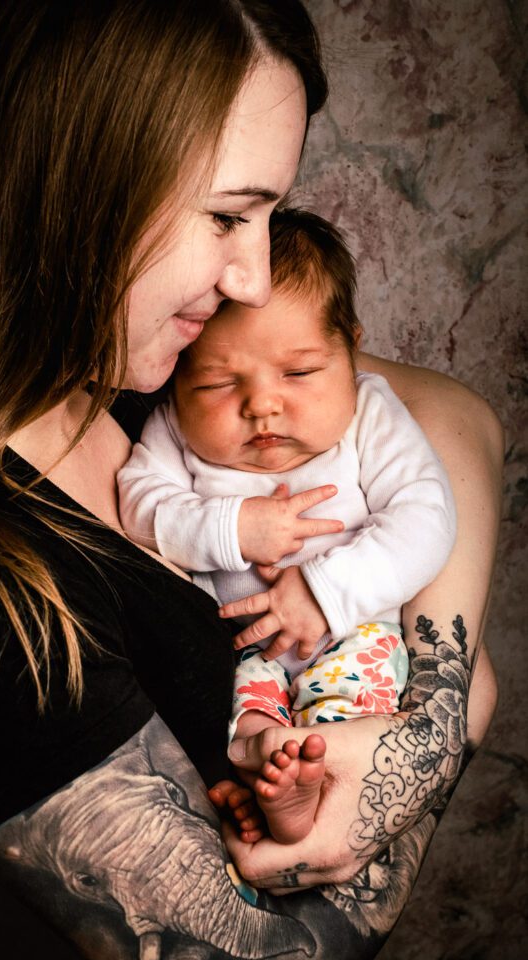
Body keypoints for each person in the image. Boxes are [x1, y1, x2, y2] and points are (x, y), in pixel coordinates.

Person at [0, 2, 501, 960]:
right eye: (226, 215)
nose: (250, 275)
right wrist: (443, 719)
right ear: (69, 186)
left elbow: (451, 414)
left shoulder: (125, 366)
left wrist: (447, 676)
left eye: (267, 218)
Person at [117, 209, 457, 845]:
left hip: (354, 633)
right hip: (245, 650)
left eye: (299, 373)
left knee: (348, 718)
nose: (262, 404)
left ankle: (308, 792)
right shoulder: (174, 428)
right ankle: (272, 790)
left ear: (349, 349)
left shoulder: (370, 414)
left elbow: (426, 517)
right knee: (245, 726)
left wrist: (326, 590)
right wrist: (230, 526)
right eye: (218, 383)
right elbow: (139, 502)